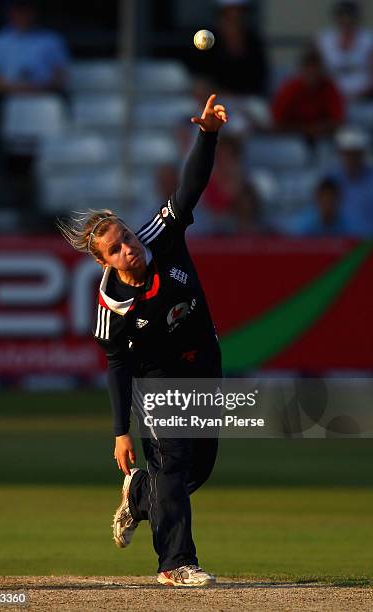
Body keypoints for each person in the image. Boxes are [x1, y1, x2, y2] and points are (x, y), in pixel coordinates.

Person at [59, 94, 228, 587]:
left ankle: (136, 497)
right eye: (115, 249)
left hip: (203, 361)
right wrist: (120, 431)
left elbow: (190, 187)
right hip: (157, 379)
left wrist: (208, 135)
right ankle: (176, 564)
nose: (129, 249)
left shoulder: (161, 237)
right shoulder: (112, 304)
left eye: (127, 237)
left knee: (197, 468)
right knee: (172, 463)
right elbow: (116, 366)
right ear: (103, 262)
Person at [0, 0, 69, 141]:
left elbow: (60, 75)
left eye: (26, 11)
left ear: (34, 13)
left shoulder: (51, 40)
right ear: (10, 14)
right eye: (18, 11)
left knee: (62, 104)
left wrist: (37, 89)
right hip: (6, 96)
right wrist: (18, 89)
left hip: (43, 93)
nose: (23, 16)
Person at [194, 0, 268, 96]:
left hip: (247, 98)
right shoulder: (207, 40)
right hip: (214, 97)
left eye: (239, 12)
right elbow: (201, 76)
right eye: (228, 14)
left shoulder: (252, 40)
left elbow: (260, 75)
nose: (235, 17)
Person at [272, 47, 345, 143]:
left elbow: (339, 121)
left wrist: (320, 128)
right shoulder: (290, 89)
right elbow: (276, 124)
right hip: (292, 138)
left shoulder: (330, 88)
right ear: (302, 70)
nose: (313, 73)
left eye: (316, 68)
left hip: (323, 138)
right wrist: (305, 129)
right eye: (309, 68)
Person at [316, 0, 373, 100]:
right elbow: (316, 71)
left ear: (356, 18)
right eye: (342, 16)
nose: (346, 20)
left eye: (350, 16)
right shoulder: (324, 39)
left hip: (365, 96)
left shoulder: (369, 38)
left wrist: (363, 93)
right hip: (330, 98)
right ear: (336, 18)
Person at [329, 126, 373, 237]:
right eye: (348, 153)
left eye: (356, 153)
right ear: (340, 153)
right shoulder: (330, 180)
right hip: (339, 244)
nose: (352, 158)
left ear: (364, 153)